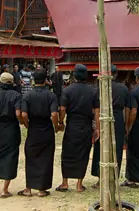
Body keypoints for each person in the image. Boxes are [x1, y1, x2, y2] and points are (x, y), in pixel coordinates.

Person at [56, 64, 99, 193]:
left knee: (68, 153)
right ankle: (79, 185)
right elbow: (97, 111)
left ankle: (65, 183)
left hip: (72, 125)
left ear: (74, 75)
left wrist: (60, 121)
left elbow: (62, 109)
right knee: (83, 153)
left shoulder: (67, 90)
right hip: (86, 125)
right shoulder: (93, 91)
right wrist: (97, 127)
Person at [19, 68, 59, 198]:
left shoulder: (27, 95)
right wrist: (56, 125)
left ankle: (28, 188)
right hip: (46, 128)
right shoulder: (51, 95)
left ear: (33, 80)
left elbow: (23, 114)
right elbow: (54, 114)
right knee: (46, 158)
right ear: (46, 80)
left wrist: (27, 124)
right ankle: (42, 189)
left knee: (31, 157)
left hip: (33, 128)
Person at [91, 65, 130, 187]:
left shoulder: (99, 88)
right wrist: (126, 124)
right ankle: (113, 179)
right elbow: (127, 108)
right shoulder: (123, 88)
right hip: (117, 118)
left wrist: (96, 125)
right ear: (116, 74)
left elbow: (95, 108)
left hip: (103, 116)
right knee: (116, 148)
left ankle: (100, 178)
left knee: (101, 147)